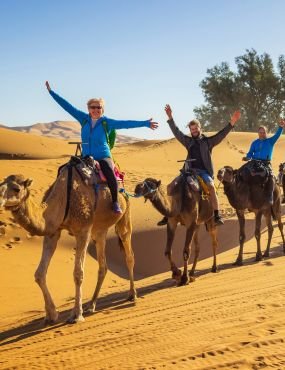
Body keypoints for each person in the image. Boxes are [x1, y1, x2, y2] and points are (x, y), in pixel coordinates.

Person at [45, 81, 159, 214]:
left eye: (98, 107)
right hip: (86, 156)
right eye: (93, 107)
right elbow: (67, 106)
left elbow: (125, 124)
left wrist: (145, 123)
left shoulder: (107, 122)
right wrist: (51, 92)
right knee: (64, 169)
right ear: (88, 109)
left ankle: (115, 202)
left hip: (103, 156)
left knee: (109, 174)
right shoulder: (83, 118)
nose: (95, 110)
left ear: (102, 109)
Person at [158, 104, 241, 226]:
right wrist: (170, 118)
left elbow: (221, 135)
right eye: (192, 129)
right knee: (170, 187)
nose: (194, 131)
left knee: (212, 187)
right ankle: (169, 213)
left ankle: (217, 214)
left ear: (200, 128)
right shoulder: (188, 141)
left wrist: (232, 123)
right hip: (188, 172)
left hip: (203, 172)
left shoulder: (208, 142)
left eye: (196, 129)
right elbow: (177, 133)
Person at [242, 121, 285, 204]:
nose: (262, 134)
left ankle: (270, 197)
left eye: (263, 132)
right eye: (260, 132)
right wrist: (247, 157)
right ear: (258, 133)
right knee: (242, 173)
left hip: (266, 163)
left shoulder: (270, 141)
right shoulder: (254, 143)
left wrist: (280, 127)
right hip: (254, 162)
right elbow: (250, 152)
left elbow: (277, 135)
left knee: (271, 177)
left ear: (266, 133)